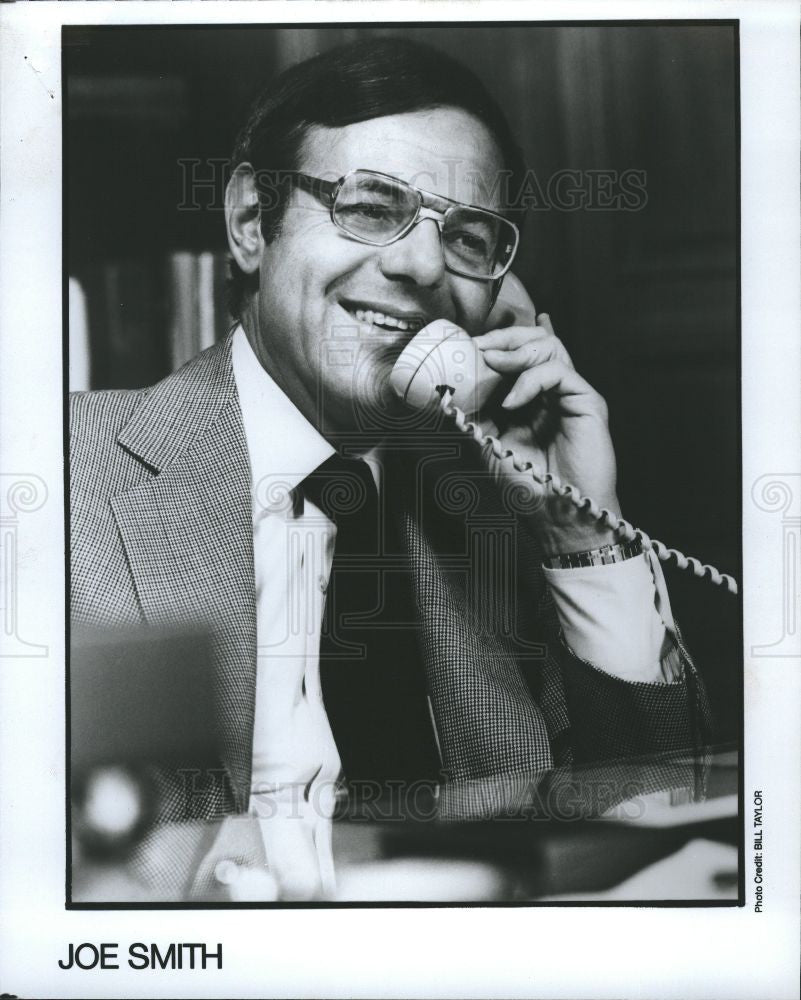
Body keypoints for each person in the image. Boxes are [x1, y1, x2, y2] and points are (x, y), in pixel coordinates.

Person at [70, 38, 709, 900]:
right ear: (252, 224)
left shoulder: (489, 509)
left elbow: (652, 817)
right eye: (371, 208)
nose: (419, 265)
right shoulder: (57, 478)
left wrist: (575, 532)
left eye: (467, 237)